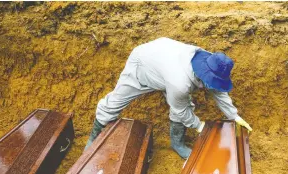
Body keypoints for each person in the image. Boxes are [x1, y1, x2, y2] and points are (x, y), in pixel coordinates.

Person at [85, 37, 252, 159]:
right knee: (115, 102)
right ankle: (94, 137)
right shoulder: (180, 82)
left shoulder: (209, 61)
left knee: (181, 101)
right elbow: (180, 110)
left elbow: (218, 90)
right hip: (143, 63)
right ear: (204, 76)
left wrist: (234, 116)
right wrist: (199, 126)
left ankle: (177, 144)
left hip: (165, 59)